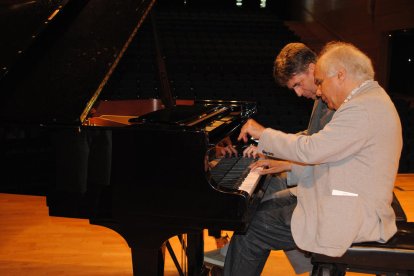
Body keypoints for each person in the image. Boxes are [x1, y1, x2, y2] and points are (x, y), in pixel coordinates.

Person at [222, 41, 402, 275]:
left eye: (320, 82)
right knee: (264, 208)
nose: (318, 91)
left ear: (340, 75)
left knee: (252, 230)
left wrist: (263, 134)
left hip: (352, 211)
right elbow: (331, 159)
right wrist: (288, 166)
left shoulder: (361, 109)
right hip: (347, 196)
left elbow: (313, 149)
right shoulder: (369, 100)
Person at [204, 43, 335, 273]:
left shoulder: (334, 99)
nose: (297, 93)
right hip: (322, 181)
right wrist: (271, 150)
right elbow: (309, 137)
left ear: (312, 68)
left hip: (330, 194)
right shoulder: (322, 97)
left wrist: (269, 141)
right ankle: (239, 253)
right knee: (265, 184)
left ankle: (244, 251)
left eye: (297, 84)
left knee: (255, 223)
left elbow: (317, 151)